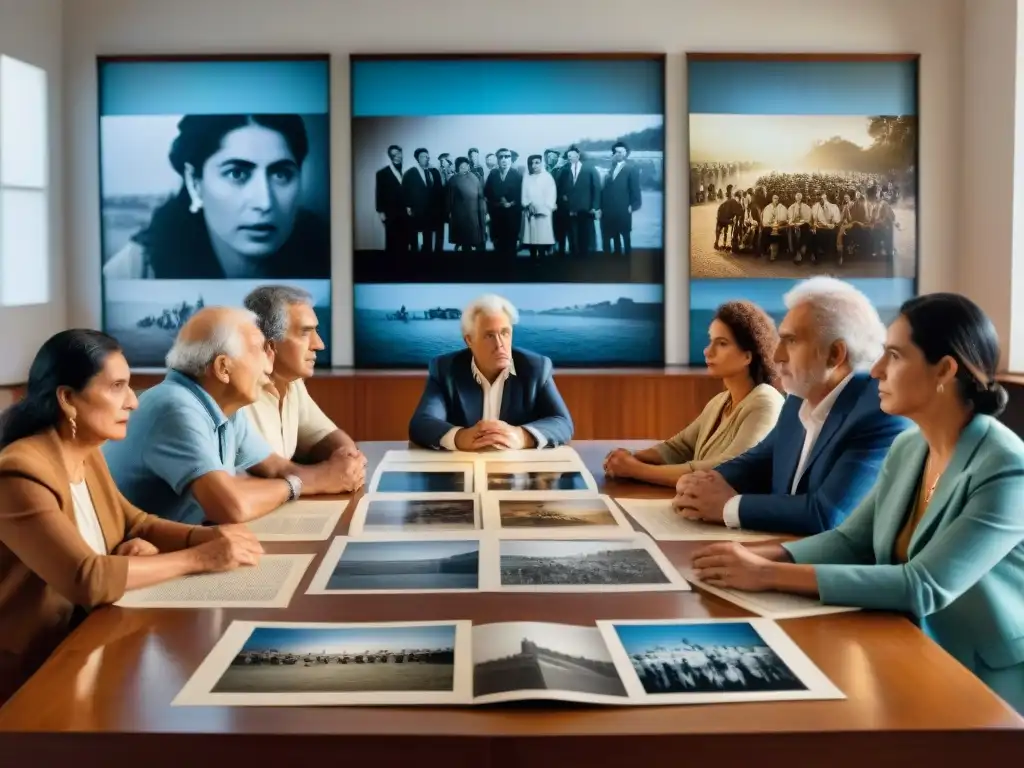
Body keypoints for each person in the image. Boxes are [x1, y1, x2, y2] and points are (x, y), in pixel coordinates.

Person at [691, 293, 1024, 714]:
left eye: (895, 356)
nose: (878, 369)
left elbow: (922, 586)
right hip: (903, 646)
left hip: (983, 682)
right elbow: (851, 541)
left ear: (944, 369)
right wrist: (753, 554)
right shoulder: (909, 447)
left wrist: (769, 574)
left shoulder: (1005, 467)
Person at [0, 330, 262, 703]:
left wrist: (213, 537)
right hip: (30, 677)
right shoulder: (19, 473)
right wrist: (199, 558)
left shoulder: (86, 452)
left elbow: (136, 523)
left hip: (84, 646)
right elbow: (86, 578)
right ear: (68, 399)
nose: (132, 403)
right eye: (117, 387)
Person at [674, 277, 910, 534]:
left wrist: (727, 507)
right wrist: (703, 483)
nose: (776, 356)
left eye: (791, 341)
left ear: (835, 354)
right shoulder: (798, 398)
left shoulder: (879, 412)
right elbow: (758, 462)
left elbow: (827, 515)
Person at [103, 307, 357, 526]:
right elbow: (231, 506)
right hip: (131, 557)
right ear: (223, 368)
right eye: (260, 350)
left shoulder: (223, 406)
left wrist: (335, 471)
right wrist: (311, 482)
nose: (270, 364)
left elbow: (279, 469)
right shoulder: (176, 408)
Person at [103, 114, 329, 280]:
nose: (265, 202)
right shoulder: (137, 269)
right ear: (194, 182)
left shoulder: (329, 256)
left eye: (281, 174)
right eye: (237, 173)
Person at [603, 301, 784, 487]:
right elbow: (678, 448)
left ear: (748, 356)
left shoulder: (766, 400)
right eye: (710, 341)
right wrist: (629, 457)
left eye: (722, 344)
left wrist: (637, 470)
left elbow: (729, 469)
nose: (708, 351)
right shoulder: (720, 401)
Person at [408, 294, 573, 451]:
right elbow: (421, 423)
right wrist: (460, 437)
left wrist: (521, 436)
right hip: (463, 471)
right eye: (489, 335)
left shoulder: (536, 367)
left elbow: (562, 423)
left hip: (518, 472)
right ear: (469, 340)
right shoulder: (445, 369)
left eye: (505, 333)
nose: (500, 344)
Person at [241, 285, 365, 488]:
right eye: (305, 333)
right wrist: (328, 477)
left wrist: (348, 458)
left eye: (316, 331)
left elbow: (324, 435)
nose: (319, 344)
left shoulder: (292, 382)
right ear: (268, 343)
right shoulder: (236, 391)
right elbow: (265, 472)